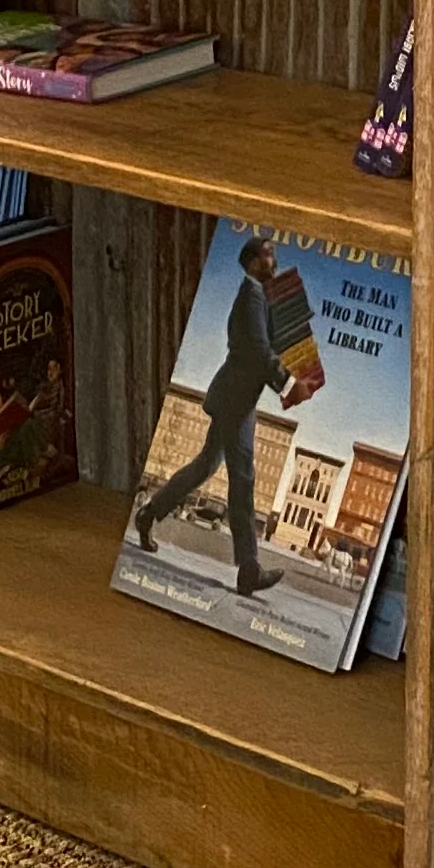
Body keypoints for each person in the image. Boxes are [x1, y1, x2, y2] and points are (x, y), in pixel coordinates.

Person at [129, 237, 317, 599]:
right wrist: (289, 384)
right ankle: (249, 571)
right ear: (250, 261)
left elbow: (272, 345)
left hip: (238, 399)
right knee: (243, 479)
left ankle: (149, 514)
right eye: (267, 252)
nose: (274, 257)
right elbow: (258, 352)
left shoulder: (262, 297)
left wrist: (299, 344)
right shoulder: (251, 296)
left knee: (205, 466)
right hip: (235, 400)